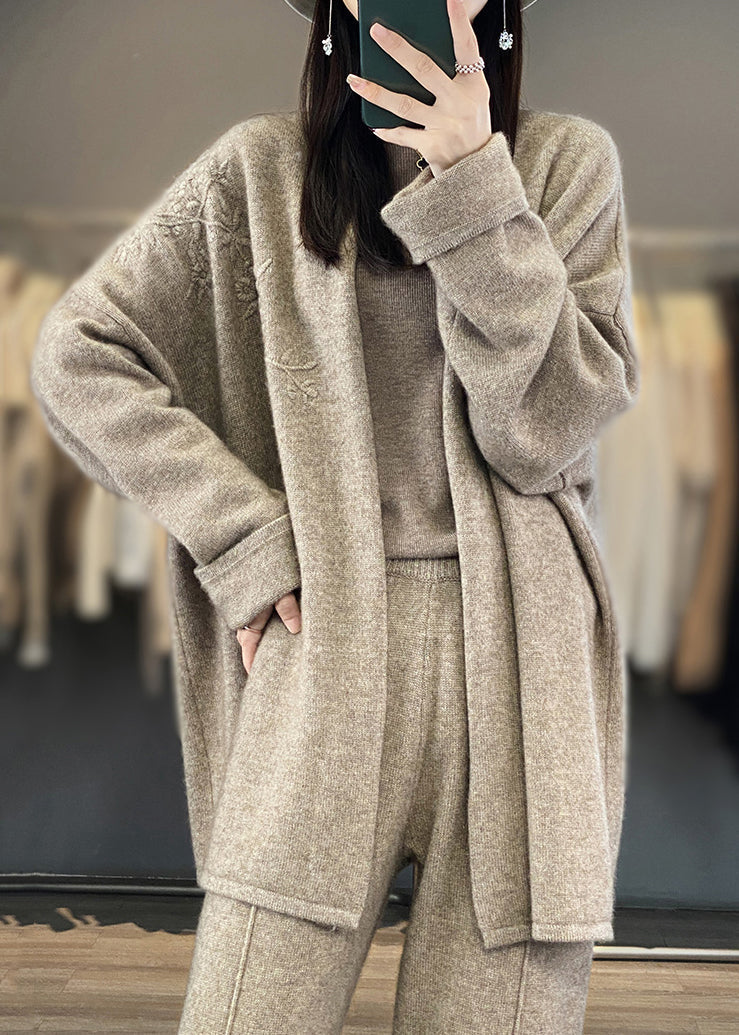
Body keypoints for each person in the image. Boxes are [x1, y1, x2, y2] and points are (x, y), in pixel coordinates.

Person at [31, 0, 640, 1031]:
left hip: (524, 674)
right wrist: (244, 539)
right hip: (321, 646)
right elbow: (78, 357)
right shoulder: (255, 174)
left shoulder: (564, 167)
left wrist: (474, 185)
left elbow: (543, 431)